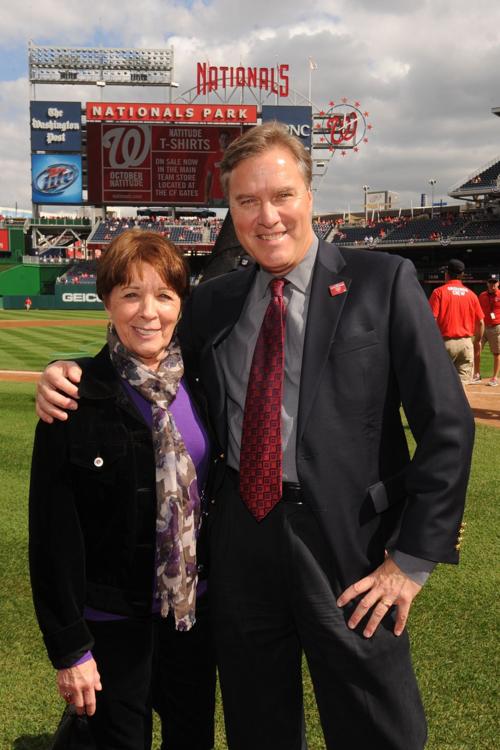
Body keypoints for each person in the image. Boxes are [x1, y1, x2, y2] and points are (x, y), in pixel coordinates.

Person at [36, 124, 474, 750]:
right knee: (258, 725)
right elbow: (142, 344)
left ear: (309, 195)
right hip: (241, 541)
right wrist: (66, 371)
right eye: (247, 201)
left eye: (282, 195)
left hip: (349, 544)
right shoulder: (214, 301)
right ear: (231, 210)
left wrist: (410, 561)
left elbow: (448, 427)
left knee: (379, 727)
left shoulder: (385, 281)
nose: (266, 216)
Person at [29, 230, 216, 750]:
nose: (148, 312)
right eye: (131, 294)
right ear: (107, 300)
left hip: (191, 616)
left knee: (192, 739)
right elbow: (52, 536)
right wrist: (71, 649)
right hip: (111, 623)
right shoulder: (74, 396)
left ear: (181, 304)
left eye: (164, 295)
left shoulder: (203, 380)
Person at [428, 258, 485, 383]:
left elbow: (431, 320)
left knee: (441, 383)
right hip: (466, 344)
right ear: (462, 275)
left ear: (447, 274)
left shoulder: (438, 292)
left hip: (445, 343)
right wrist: (477, 342)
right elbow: (480, 322)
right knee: (462, 386)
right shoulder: (472, 294)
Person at [477, 272, 500, 386]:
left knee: (496, 353)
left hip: (496, 328)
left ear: (498, 283)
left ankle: (495, 378)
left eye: (494, 282)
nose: (492, 285)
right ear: (487, 283)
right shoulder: (482, 296)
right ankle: (476, 374)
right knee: (476, 349)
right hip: (483, 327)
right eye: (490, 282)